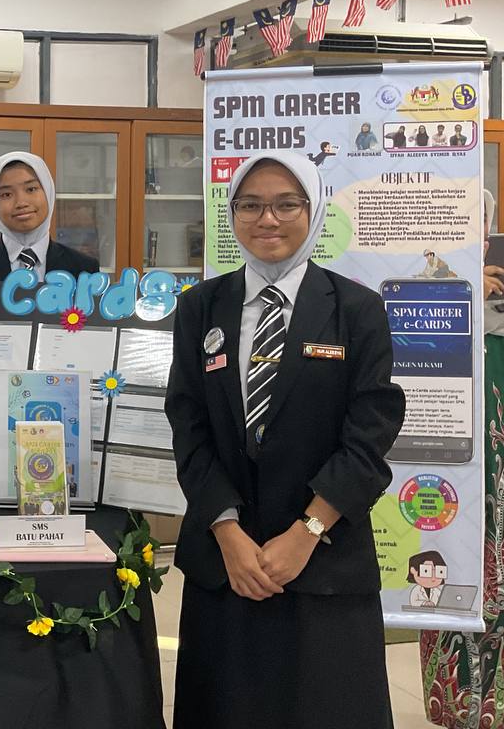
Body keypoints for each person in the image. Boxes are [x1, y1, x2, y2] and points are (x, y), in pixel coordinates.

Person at [165, 151, 404, 729]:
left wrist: (306, 533)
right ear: (231, 214)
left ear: (313, 210)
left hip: (324, 568)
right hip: (226, 567)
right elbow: (189, 429)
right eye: (249, 205)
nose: (266, 219)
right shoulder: (200, 307)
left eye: (285, 204)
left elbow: (369, 439)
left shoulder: (357, 309)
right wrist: (228, 533)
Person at [420, 190, 504, 728]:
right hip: (445, 475)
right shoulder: (418, 292)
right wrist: (460, 295)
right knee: (442, 568)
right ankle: (457, 705)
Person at [0, 150, 99, 280]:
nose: (21, 203)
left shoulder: (84, 269)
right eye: (6, 194)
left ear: (48, 191)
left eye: (31, 189)